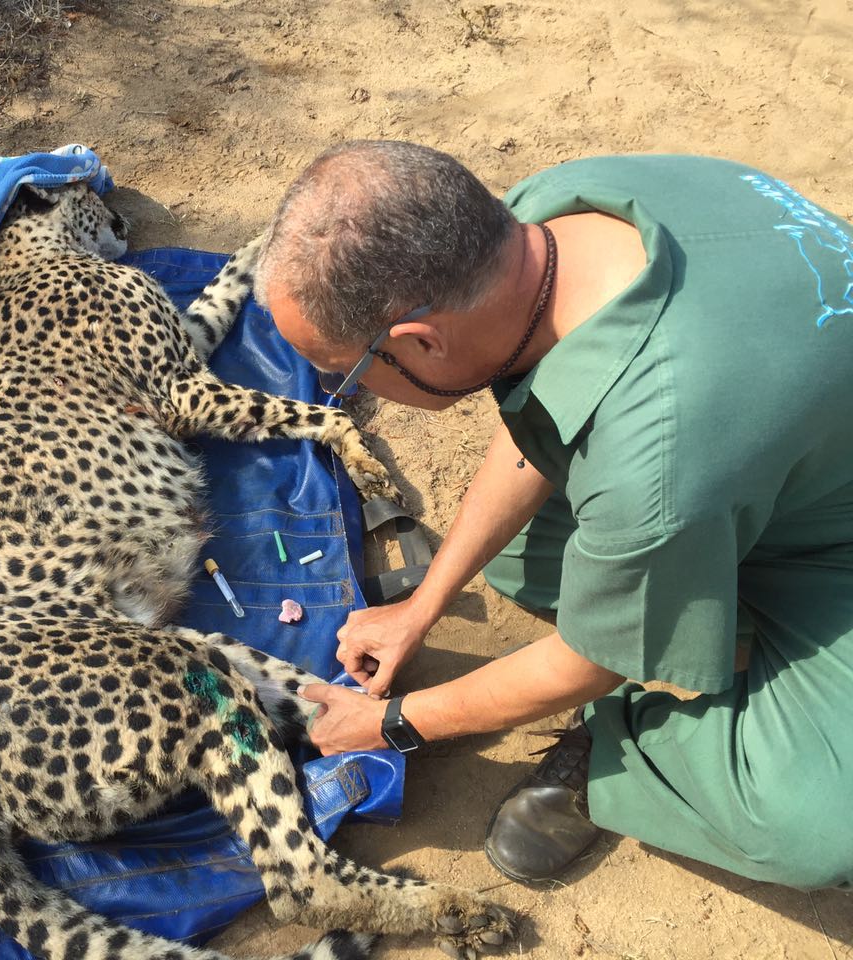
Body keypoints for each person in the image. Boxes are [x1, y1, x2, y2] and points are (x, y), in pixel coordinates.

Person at [254, 139, 853, 891]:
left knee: (816, 827)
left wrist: (389, 723)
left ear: (419, 343)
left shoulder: (657, 457)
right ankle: (701, 617)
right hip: (775, 451)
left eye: (345, 377)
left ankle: (631, 742)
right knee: (520, 557)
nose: (344, 393)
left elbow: (589, 658)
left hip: (818, 533)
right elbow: (546, 401)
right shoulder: (556, 213)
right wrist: (423, 603)